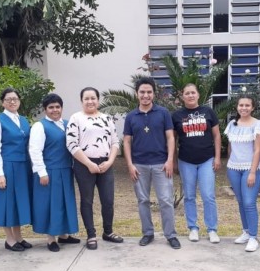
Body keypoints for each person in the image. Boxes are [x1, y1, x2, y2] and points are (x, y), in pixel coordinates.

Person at [123, 77, 181, 249]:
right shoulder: (131, 116)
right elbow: (126, 141)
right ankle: (147, 233)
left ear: (154, 94)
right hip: (139, 166)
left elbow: (170, 137)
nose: (145, 95)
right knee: (143, 201)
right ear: (137, 94)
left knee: (166, 200)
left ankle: (170, 235)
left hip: (161, 164)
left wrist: (170, 160)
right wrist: (130, 165)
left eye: (149, 92)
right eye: (142, 92)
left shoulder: (163, 113)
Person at [66, 87, 123, 250]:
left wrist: (110, 161)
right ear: (81, 101)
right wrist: (89, 164)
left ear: (98, 100)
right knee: (87, 200)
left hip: (106, 164)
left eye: (93, 98)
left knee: (108, 200)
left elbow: (114, 142)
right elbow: (71, 144)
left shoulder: (107, 118)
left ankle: (108, 231)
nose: (90, 101)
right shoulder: (76, 118)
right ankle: (91, 234)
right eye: (86, 98)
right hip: (84, 165)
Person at [29, 93, 80, 252]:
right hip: (49, 171)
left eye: (57, 107)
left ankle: (64, 235)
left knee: (64, 203)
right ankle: (51, 238)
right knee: (50, 204)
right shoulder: (40, 126)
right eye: (51, 107)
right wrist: (42, 172)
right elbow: (35, 150)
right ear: (45, 109)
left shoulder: (67, 124)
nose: (55, 110)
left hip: (65, 170)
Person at [172, 83, 221, 244]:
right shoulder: (177, 115)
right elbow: (172, 140)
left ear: (198, 95)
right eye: (187, 93)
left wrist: (218, 157)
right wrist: (173, 161)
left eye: (193, 92)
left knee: (208, 195)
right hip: (186, 161)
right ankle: (193, 227)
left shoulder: (208, 112)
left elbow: (216, 136)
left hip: (207, 159)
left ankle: (212, 229)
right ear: (182, 97)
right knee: (189, 196)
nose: (190, 95)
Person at [0, 88, 33, 252]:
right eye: (8, 99)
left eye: (15, 99)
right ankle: (9, 239)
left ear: (19, 101)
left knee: (18, 202)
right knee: (8, 202)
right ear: (2, 102)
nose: (12, 102)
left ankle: (18, 236)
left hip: (23, 166)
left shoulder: (23, 120)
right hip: (7, 165)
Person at [224, 96, 260, 252]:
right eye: (241, 105)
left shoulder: (258, 124)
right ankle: (246, 232)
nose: (244, 108)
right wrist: (229, 164)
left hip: (251, 168)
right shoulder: (232, 124)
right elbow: (230, 147)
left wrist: (252, 172)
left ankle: (254, 237)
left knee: (249, 202)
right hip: (234, 168)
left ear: (253, 107)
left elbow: (257, 150)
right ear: (237, 107)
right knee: (241, 201)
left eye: (247, 105)